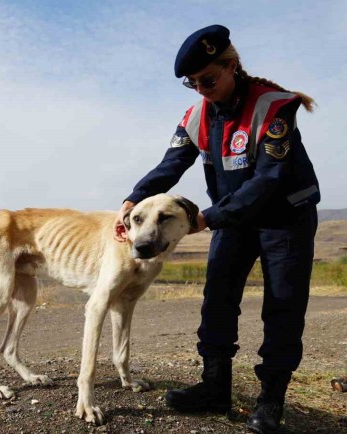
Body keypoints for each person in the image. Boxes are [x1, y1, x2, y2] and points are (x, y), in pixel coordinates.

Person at [113, 25, 320, 433]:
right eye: (193, 84)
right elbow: (170, 167)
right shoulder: (196, 117)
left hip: (284, 220)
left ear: (232, 65)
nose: (201, 90)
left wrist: (207, 218)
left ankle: (271, 400)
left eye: (208, 80)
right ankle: (215, 388)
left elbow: (268, 180)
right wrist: (132, 200)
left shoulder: (274, 107)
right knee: (218, 300)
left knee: (282, 306)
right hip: (235, 219)